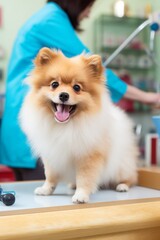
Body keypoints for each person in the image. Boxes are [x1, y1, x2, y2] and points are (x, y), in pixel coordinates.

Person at [0, 0, 160, 181]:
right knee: (47, 201)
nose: (88, 14)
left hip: (14, 129)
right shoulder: (51, 20)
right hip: (35, 131)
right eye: (89, 7)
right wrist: (149, 97)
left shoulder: (43, 17)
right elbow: (90, 68)